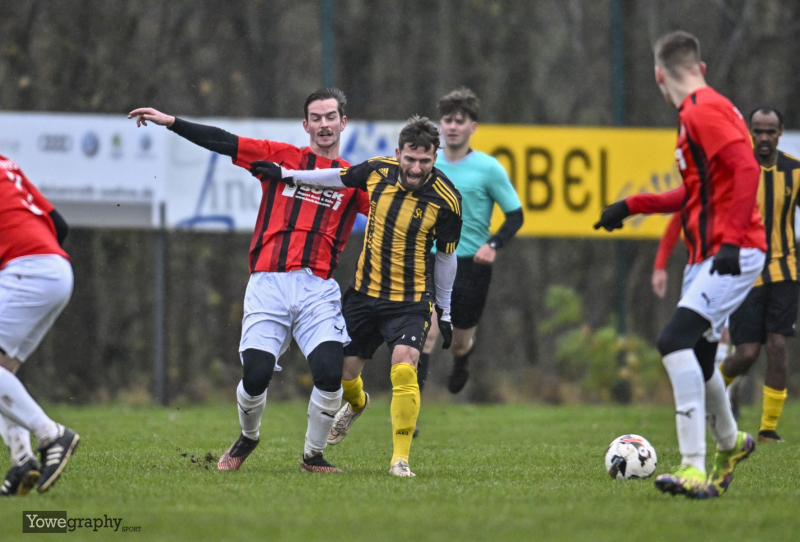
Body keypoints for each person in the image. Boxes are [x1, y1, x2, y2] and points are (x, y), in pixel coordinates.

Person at [129, 88, 370, 473]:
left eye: (330, 117)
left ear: (343, 123)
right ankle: (248, 436)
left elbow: (393, 212)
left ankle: (313, 456)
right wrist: (172, 122)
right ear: (305, 125)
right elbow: (225, 141)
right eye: (316, 118)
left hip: (317, 289)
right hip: (268, 284)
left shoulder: (353, 180)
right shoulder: (282, 157)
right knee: (256, 374)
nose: (324, 125)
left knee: (329, 372)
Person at [594, 31, 766, 499]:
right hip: (707, 255)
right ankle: (731, 444)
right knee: (703, 359)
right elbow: (694, 193)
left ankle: (693, 465)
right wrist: (632, 205)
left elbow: (747, 169)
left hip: (731, 252)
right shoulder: (706, 108)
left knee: (673, 340)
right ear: (700, 67)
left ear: (658, 76)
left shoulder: (701, 111)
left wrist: (731, 241)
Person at [250, 116, 462, 477]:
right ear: (398, 153)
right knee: (342, 375)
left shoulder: (448, 200)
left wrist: (445, 309)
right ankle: (358, 403)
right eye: (410, 159)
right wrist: (287, 176)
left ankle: (400, 460)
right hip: (364, 295)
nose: (416, 168)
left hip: (410, 301)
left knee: (404, 366)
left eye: (425, 161)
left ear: (435, 158)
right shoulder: (377, 171)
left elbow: (446, 257)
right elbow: (334, 178)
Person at [418, 89, 523, 399]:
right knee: (425, 334)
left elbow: (515, 215)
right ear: (440, 125)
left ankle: (463, 357)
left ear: (472, 127)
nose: (452, 127)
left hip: (471, 265)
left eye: (459, 121)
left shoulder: (488, 169)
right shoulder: (426, 165)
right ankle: (409, 411)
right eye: (447, 120)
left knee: (458, 341)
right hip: (431, 259)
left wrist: (493, 244)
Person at [0, 154, 80, 496]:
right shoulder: (5, 163)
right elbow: (59, 224)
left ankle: (51, 434)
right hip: (55, 268)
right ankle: (22, 459)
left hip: (27, 271)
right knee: (3, 371)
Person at [719, 107, 800, 443]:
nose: (764, 137)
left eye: (770, 131)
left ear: (780, 132)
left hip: (785, 269)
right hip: (745, 272)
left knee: (778, 345)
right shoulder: (737, 169)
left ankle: (768, 429)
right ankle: (709, 395)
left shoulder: (795, 171)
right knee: (747, 353)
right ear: (749, 132)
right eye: (758, 131)